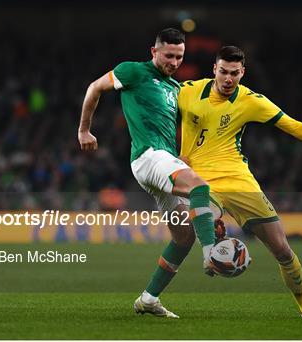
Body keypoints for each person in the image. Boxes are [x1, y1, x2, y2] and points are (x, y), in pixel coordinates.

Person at [177, 46, 302, 319]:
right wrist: (173, 155)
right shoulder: (187, 91)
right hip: (201, 180)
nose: (228, 78)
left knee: (282, 250)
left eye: (234, 73)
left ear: (242, 73)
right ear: (214, 69)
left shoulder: (251, 101)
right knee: (205, 215)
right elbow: (157, 115)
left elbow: (292, 125)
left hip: (240, 181)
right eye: (223, 71)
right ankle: (211, 251)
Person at [78, 28, 216, 319]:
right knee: (199, 187)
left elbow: (175, 130)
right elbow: (94, 87)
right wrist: (84, 129)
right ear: (154, 52)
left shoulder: (175, 89)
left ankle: (149, 298)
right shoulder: (133, 72)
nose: (175, 62)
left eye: (179, 57)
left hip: (163, 160)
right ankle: (212, 253)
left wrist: (182, 156)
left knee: (183, 237)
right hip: (148, 158)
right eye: (169, 55)